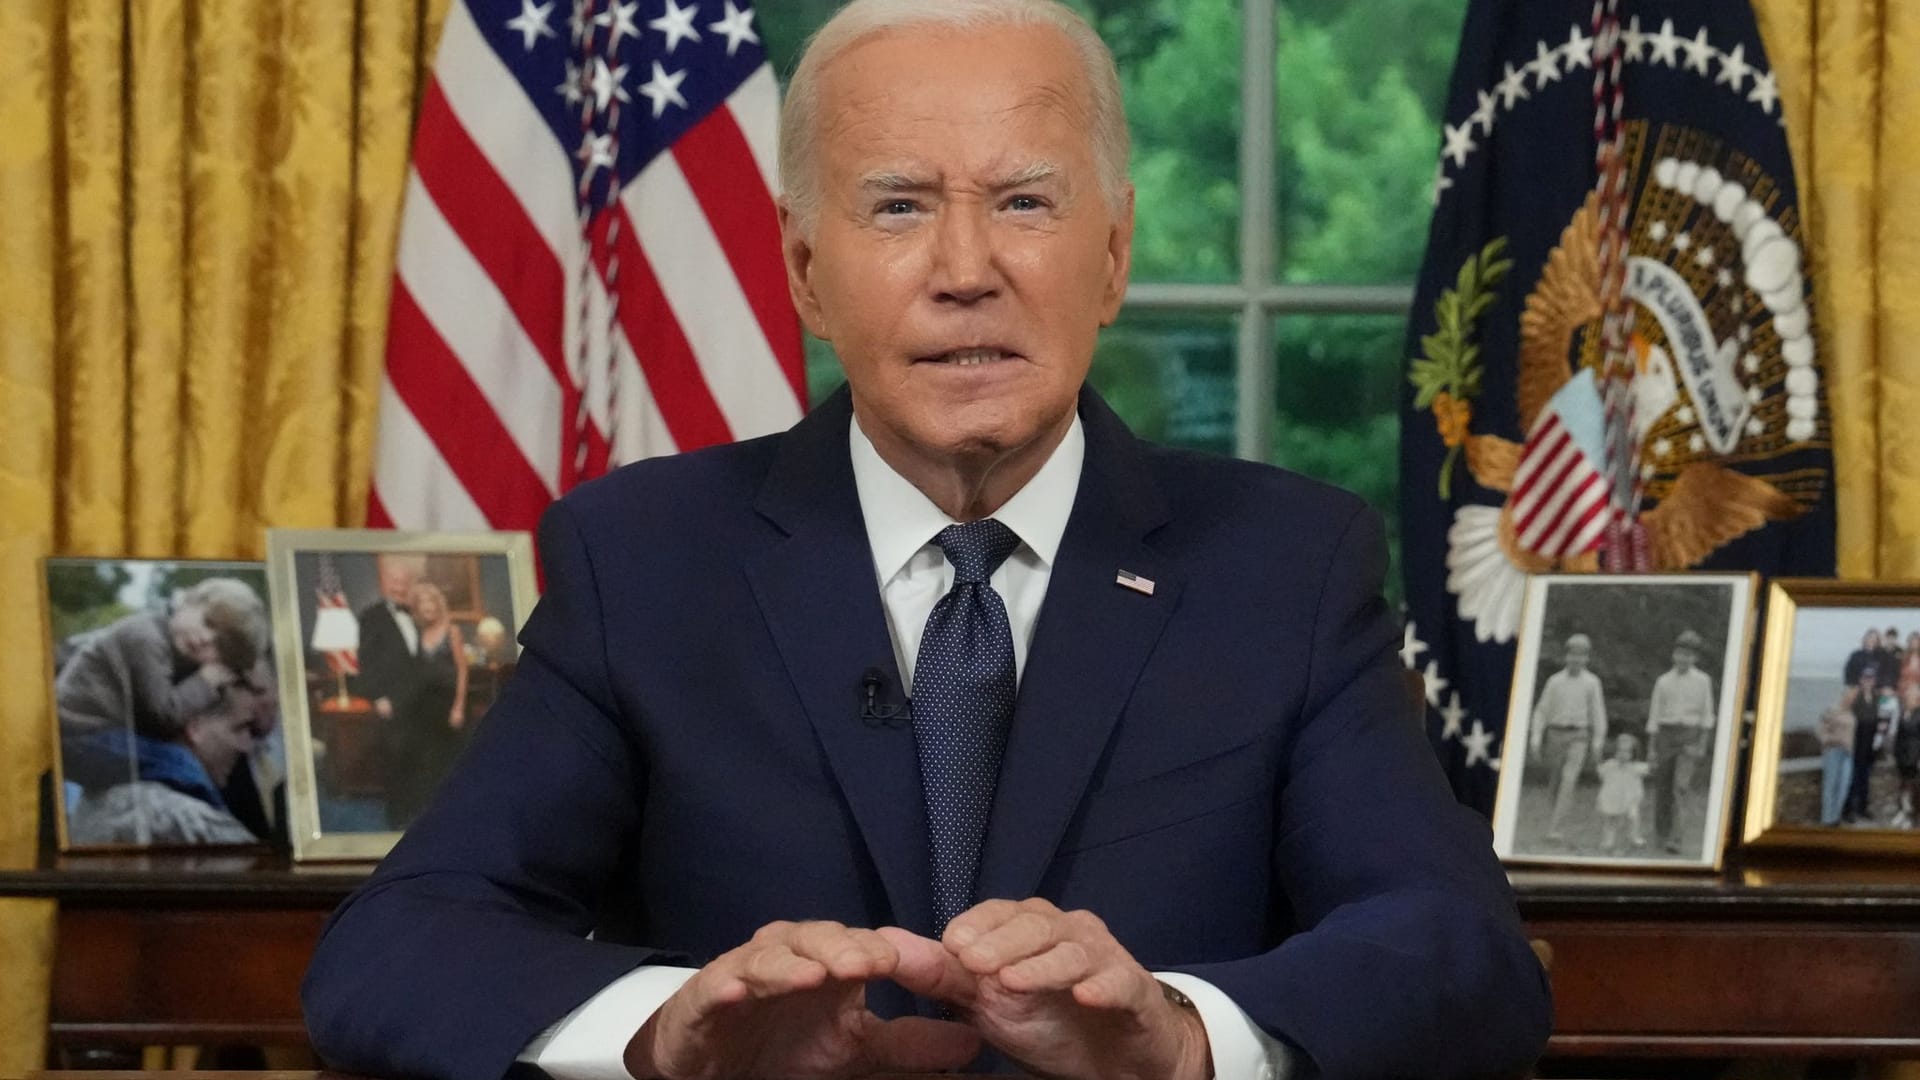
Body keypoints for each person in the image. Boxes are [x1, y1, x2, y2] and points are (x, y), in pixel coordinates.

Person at [301, 3, 1552, 1078]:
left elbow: (1457, 950)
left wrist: (1181, 1038)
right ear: (802, 269)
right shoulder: (641, 561)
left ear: (1110, 255)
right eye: (897, 206)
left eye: (1023, 201)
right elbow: (401, 944)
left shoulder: (1289, 563)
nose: (966, 268)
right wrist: (664, 1030)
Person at [56, 576, 269, 742]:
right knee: (175, 763)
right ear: (187, 601)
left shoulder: (178, 652)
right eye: (209, 622)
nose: (205, 638)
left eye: (219, 645)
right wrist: (206, 681)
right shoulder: (147, 637)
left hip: (100, 727)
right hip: (75, 723)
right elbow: (163, 716)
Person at [67, 684, 267, 847]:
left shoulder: (96, 799)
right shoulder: (190, 824)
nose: (246, 747)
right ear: (195, 727)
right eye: (240, 728)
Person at [347, 553, 427, 828]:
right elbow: (365, 664)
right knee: (396, 763)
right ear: (384, 583)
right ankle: (397, 823)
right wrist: (378, 697)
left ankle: (421, 820)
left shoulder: (420, 613)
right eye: (394, 581)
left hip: (420, 702)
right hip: (392, 703)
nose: (400, 587)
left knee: (421, 762)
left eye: (404, 581)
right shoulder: (372, 617)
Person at [382, 581, 471, 824]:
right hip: (423, 705)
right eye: (423, 605)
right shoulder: (418, 632)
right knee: (423, 757)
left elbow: (462, 670)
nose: (428, 608)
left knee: (448, 758)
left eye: (431, 604)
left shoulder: (452, 631)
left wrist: (458, 707)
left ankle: (452, 812)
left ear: (438, 605)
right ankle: (425, 811)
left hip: (447, 703)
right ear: (418, 609)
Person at [1526, 632, 1608, 842]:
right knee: (1555, 782)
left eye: (1581, 655)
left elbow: (1598, 714)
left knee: (1569, 781)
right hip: (1556, 734)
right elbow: (1541, 711)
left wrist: (1597, 743)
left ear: (1587, 658)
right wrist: (1536, 738)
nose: (1576, 660)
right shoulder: (1555, 682)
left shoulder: (1592, 683)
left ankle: (1555, 828)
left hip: (1579, 736)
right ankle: (1555, 818)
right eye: (1572, 655)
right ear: (1566, 656)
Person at [1646, 629, 1717, 854]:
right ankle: (1661, 834)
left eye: (1688, 654)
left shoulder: (1703, 681)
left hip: (1689, 735)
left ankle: (1676, 839)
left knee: (1680, 787)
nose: (1683, 658)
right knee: (1663, 788)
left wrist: (1702, 743)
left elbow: (1707, 714)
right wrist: (1651, 747)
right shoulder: (1663, 681)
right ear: (1673, 655)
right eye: (1679, 653)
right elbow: (1655, 715)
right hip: (1666, 735)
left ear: (1694, 657)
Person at [1594, 732, 1648, 854]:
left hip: (1630, 799)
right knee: (1610, 820)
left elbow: (1648, 770)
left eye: (1627, 752)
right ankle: (1608, 840)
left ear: (1633, 754)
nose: (1623, 755)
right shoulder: (1610, 765)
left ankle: (1634, 837)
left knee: (1633, 817)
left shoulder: (1635, 767)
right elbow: (1600, 772)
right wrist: (1597, 756)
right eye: (1620, 751)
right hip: (1613, 798)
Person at [1844, 664, 1885, 823]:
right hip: (1856, 743)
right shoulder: (1854, 695)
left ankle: (1862, 808)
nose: (1868, 681)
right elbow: (1846, 714)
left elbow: (1879, 719)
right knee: (1852, 779)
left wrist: (1879, 738)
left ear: (1874, 681)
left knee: (1865, 779)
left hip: (1870, 745)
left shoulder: (1876, 697)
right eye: (1866, 678)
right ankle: (1848, 810)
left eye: (1871, 678)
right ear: (1861, 680)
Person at [1818, 683, 1861, 827]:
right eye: (1848, 696)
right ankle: (1827, 819)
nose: (1850, 699)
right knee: (1830, 785)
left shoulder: (1852, 713)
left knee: (1844, 785)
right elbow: (1820, 729)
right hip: (1833, 752)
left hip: (1848, 754)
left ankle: (1835, 817)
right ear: (1843, 696)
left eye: (1852, 697)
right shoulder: (1832, 710)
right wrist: (1830, 740)